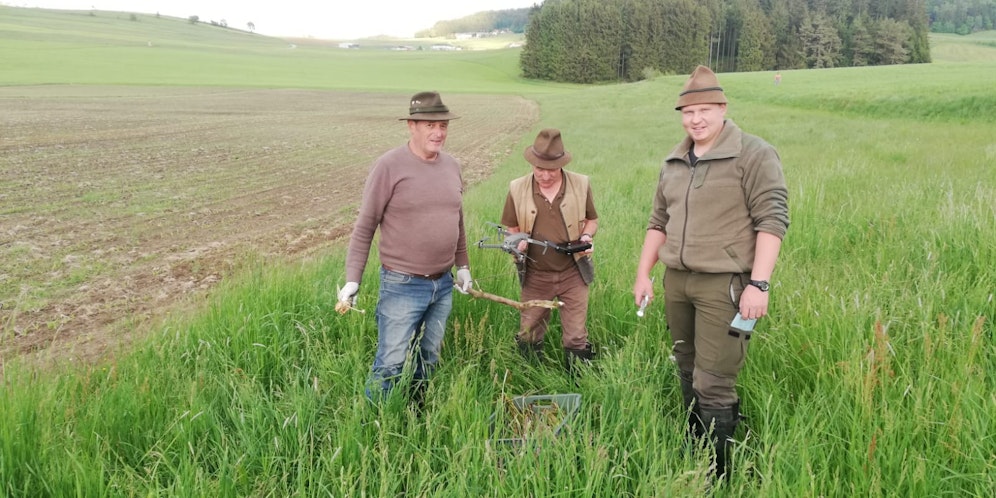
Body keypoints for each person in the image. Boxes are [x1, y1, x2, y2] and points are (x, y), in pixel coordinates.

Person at [632, 66, 789, 478]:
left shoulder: (753, 154)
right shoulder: (674, 160)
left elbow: (772, 220)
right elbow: (657, 222)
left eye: (704, 109)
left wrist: (759, 283)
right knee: (685, 363)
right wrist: (643, 274)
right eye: (687, 112)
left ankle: (718, 472)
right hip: (677, 282)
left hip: (727, 285)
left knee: (714, 378)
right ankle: (695, 445)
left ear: (723, 108)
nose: (695, 119)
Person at [338, 91, 473, 410]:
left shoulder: (452, 166)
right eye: (430, 125)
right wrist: (352, 279)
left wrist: (463, 265)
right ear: (412, 126)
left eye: (443, 125)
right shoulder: (389, 166)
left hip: (442, 285)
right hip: (402, 286)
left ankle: (416, 414)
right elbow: (365, 225)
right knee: (391, 362)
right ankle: (374, 425)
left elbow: (458, 219)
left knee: (429, 358)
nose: (438, 132)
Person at [500, 128, 599, 372]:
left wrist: (586, 236)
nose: (544, 176)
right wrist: (518, 242)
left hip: (573, 273)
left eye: (550, 170)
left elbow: (592, 220)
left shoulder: (581, 183)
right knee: (529, 331)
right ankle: (532, 376)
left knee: (576, 334)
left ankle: (578, 380)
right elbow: (511, 227)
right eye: (539, 169)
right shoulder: (517, 188)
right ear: (532, 163)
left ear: (561, 164)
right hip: (535, 275)